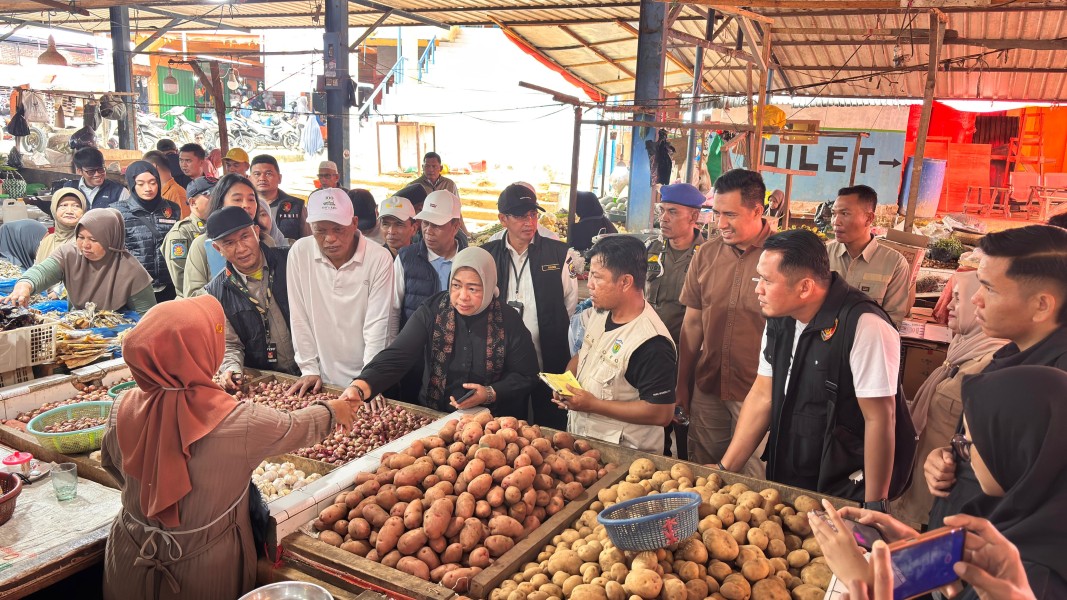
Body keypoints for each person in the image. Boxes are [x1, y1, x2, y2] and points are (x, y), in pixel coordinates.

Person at [100, 295, 362, 600]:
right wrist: (334, 411)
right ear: (201, 351)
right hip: (202, 568)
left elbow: (112, 465)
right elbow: (296, 426)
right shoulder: (237, 421)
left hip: (127, 555)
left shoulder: (123, 406)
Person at [814, 366, 1067, 600]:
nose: (958, 451)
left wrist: (864, 581)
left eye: (969, 442)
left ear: (1017, 452)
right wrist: (917, 549)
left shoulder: (1039, 580)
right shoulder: (1026, 526)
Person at [719, 228, 900, 507]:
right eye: (758, 278)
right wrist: (724, 470)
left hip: (843, 487)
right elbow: (763, 395)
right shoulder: (780, 317)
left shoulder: (864, 326)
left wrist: (874, 506)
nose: (757, 288)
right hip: (787, 474)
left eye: (767, 280)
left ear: (804, 287)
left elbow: (880, 419)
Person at [924, 225, 1067, 530]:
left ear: (1041, 305)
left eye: (989, 288)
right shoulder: (1012, 355)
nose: (976, 299)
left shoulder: (1051, 387)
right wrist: (952, 455)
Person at [345, 247, 538, 414]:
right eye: (456, 285)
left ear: (488, 286)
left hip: (490, 423)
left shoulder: (508, 319)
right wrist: (361, 386)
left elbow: (526, 375)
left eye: (473, 289)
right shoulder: (432, 310)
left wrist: (489, 393)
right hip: (436, 416)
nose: (462, 297)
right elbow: (398, 355)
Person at [892, 254, 1006, 526]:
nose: (949, 305)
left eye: (958, 297)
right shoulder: (960, 351)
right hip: (916, 494)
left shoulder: (994, 366)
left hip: (941, 512)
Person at [677, 169, 773, 473]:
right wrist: (682, 383)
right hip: (709, 386)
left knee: (756, 480)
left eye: (729, 214)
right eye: (716, 213)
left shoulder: (785, 258)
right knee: (703, 474)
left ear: (757, 210)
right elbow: (692, 325)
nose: (720, 223)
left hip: (760, 394)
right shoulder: (705, 255)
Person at [556, 235, 676, 454]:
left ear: (625, 282)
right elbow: (585, 353)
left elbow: (662, 413)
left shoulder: (651, 343)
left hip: (624, 459)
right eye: (590, 275)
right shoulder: (600, 312)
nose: (589, 284)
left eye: (597, 277)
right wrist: (565, 384)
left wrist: (593, 405)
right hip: (585, 446)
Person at [482, 184, 578, 427]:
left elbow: (569, 302)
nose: (529, 222)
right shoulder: (488, 255)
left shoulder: (558, 253)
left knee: (551, 420)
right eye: (520, 215)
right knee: (507, 423)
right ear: (502, 219)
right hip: (503, 355)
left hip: (549, 353)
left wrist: (549, 326)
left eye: (533, 214)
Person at [286, 188, 394, 394]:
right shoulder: (300, 252)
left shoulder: (379, 258)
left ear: (354, 223)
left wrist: (368, 380)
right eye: (320, 230)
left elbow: (377, 326)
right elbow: (299, 315)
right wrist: (308, 368)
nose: (330, 239)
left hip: (365, 376)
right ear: (310, 226)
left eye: (338, 229)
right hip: (321, 378)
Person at [644, 183, 707, 459]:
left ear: (693, 217)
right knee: (653, 421)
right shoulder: (651, 249)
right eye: (662, 211)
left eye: (672, 212)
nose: (664, 218)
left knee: (683, 422)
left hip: (686, 356)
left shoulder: (707, 256)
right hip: (650, 353)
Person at [204, 207, 297, 385]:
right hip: (268, 380)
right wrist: (232, 368)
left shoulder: (290, 261)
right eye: (229, 243)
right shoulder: (217, 292)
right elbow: (229, 344)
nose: (241, 249)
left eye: (245, 237)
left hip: (314, 370)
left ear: (256, 232)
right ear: (218, 248)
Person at [3, 208, 155, 313]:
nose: (85, 245)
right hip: (78, 331)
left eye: (94, 239)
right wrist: (25, 285)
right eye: (81, 238)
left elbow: (147, 318)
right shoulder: (69, 253)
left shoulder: (132, 271)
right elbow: (43, 271)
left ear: (111, 240)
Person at [826, 185, 913, 324]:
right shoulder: (823, 255)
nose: (835, 222)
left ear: (869, 218)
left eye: (845, 213)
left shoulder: (895, 264)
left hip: (868, 342)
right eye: (833, 214)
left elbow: (892, 321)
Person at [183, 174, 277, 298]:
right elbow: (193, 295)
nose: (246, 205)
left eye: (251, 199)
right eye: (237, 199)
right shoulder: (201, 245)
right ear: (220, 202)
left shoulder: (266, 241)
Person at [113, 161, 182, 303]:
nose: (148, 188)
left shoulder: (173, 209)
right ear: (132, 185)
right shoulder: (118, 212)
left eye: (152, 182)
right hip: (135, 288)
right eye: (141, 184)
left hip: (170, 286)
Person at [163, 177, 214, 298]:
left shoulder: (220, 227)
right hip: (194, 302)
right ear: (192, 202)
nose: (218, 200)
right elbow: (181, 281)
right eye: (211, 195)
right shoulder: (181, 233)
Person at [409, 152, 468, 237]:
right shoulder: (414, 186)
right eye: (427, 166)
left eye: (434, 166)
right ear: (423, 167)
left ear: (440, 168)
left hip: (445, 229)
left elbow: (457, 211)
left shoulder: (449, 184)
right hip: (423, 230)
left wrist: (465, 233)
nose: (430, 169)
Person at [251, 154, 308, 241]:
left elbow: (307, 240)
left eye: (268, 174)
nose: (262, 178)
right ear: (249, 178)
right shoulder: (245, 207)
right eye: (257, 174)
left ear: (279, 178)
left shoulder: (296, 206)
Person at [52, 146, 130, 209]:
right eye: (91, 171)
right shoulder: (69, 189)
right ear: (79, 171)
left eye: (101, 169)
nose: (97, 174)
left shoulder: (119, 191)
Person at [36, 187, 88, 264]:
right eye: (63, 205)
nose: (69, 211)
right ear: (54, 209)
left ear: (83, 210)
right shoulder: (48, 240)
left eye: (76, 206)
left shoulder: (87, 241)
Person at [142, 150, 188, 217]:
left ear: (153, 166)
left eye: (144, 169)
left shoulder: (176, 193)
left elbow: (183, 224)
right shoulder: (160, 192)